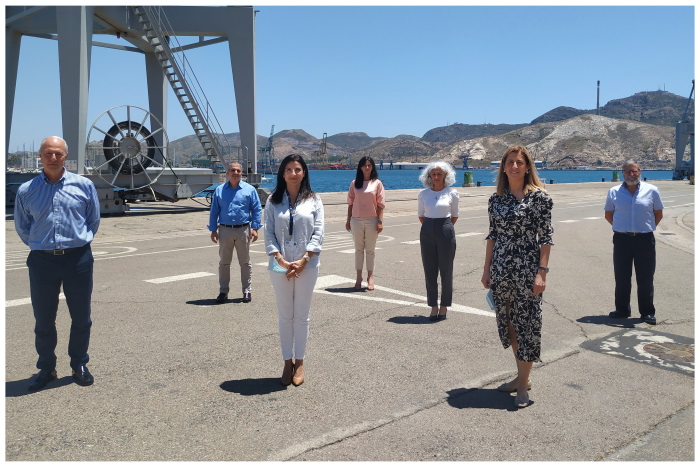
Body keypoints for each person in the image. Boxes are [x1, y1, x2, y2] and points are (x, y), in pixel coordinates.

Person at [14, 136, 101, 391]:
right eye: (48, 153)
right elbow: (22, 226)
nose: (53, 158)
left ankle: (79, 364)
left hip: (78, 259)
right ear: (40, 156)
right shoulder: (26, 190)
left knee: (81, 317)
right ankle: (46, 368)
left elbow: (92, 220)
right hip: (42, 262)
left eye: (58, 154)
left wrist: (76, 242)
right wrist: (42, 244)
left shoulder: (84, 185)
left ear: (66, 156)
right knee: (43, 319)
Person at [480, 145, 553, 409]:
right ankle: (522, 374)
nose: (514, 166)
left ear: (527, 167)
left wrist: (541, 273)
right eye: (510, 162)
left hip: (527, 269)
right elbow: (493, 236)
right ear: (503, 167)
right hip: (501, 269)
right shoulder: (496, 200)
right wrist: (487, 269)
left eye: (519, 162)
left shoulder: (540, 199)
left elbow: (545, 238)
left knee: (529, 324)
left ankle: (523, 385)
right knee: (509, 323)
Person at [264, 154, 324, 387]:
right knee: (285, 316)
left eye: (298, 169)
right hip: (279, 266)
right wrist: (279, 259)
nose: (293, 173)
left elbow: (318, 232)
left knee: (301, 316)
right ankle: (286, 362)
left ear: (304, 172)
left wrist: (304, 259)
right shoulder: (273, 200)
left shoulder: (314, 200)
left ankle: (300, 362)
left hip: (307, 265)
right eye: (289, 169)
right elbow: (268, 231)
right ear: (282, 173)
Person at [604, 160, 664, 325]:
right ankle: (622, 309)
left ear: (640, 171)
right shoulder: (614, 191)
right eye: (628, 172)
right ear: (623, 173)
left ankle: (647, 312)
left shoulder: (652, 191)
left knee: (645, 277)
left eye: (634, 171)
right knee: (622, 276)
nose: (631, 174)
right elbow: (609, 214)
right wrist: (623, 228)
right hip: (622, 239)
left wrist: (644, 228)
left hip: (645, 239)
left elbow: (658, 214)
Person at [208, 161, 262, 304]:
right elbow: (214, 211)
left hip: (243, 230)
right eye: (232, 170)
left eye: (238, 170)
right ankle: (223, 292)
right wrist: (213, 230)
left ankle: (246, 291)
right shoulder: (219, 190)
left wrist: (255, 228)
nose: (235, 173)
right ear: (228, 173)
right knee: (224, 263)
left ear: (241, 173)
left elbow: (256, 209)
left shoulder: (249, 190)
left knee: (245, 262)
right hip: (224, 230)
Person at [418, 161, 459, 321]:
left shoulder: (452, 193)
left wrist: (443, 228)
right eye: (433, 174)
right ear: (429, 176)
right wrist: (431, 228)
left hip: (446, 229)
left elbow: (455, 215)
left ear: (445, 176)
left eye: (439, 174)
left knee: (446, 271)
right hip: (427, 230)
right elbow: (421, 215)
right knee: (430, 271)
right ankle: (433, 306)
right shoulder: (423, 194)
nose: (436, 177)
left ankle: (444, 307)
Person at [346, 156, 386, 290]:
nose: (367, 168)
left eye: (369, 165)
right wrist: (348, 220)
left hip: (372, 220)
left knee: (370, 250)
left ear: (373, 167)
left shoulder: (377, 183)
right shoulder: (354, 183)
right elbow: (350, 203)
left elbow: (381, 204)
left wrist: (379, 221)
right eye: (364, 165)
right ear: (360, 167)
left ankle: (370, 277)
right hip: (356, 220)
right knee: (358, 250)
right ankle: (358, 277)